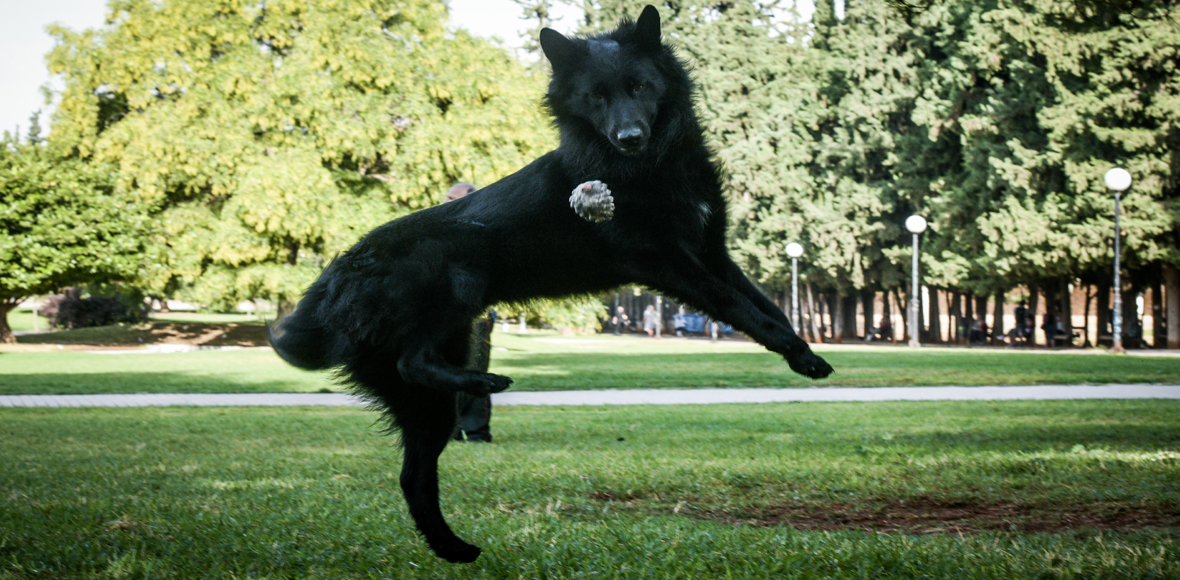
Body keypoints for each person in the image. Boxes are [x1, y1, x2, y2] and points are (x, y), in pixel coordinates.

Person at [445, 182, 494, 442]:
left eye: (453, 198)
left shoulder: (480, 226)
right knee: (447, 369)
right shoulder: (443, 227)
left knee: (474, 370)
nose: (446, 202)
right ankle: (450, 429)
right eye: (446, 197)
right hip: (446, 311)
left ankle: (476, 432)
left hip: (477, 313)